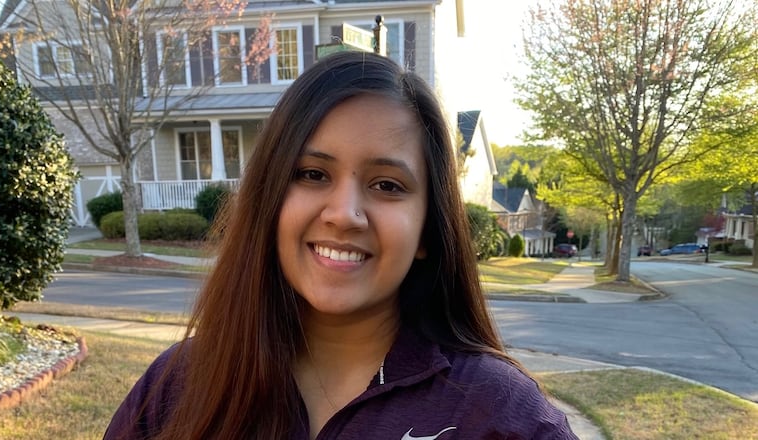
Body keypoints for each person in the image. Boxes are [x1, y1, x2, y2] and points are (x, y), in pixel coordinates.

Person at [104, 51, 577, 440]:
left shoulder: (499, 416)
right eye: (313, 174)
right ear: (269, 201)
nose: (344, 213)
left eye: (387, 185)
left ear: (426, 232)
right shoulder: (176, 388)